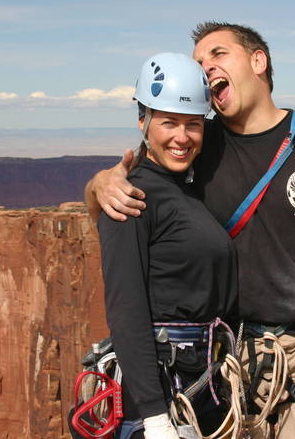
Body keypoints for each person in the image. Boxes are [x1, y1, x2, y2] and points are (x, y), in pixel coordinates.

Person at [85, 24, 295, 438]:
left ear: (258, 60)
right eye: (198, 62)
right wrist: (98, 184)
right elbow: (138, 183)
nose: (205, 66)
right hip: (224, 367)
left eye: (217, 54)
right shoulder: (199, 140)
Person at [93, 52, 238, 439]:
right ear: (143, 121)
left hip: (199, 382)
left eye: (193, 124)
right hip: (159, 394)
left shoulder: (185, 191)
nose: (182, 137)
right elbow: (126, 310)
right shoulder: (132, 196)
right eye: (168, 122)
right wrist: (155, 417)